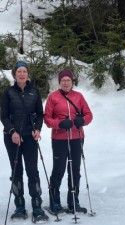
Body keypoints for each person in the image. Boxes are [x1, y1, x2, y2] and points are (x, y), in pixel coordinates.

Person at [0, 61, 48, 221]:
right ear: (14, 74)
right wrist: (12, 131)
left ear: (28, 74)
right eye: (19, 71)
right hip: (11, 137)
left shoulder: (34, 92)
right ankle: (19, 205)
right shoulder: (8, 92)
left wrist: (38, 129)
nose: (22, 74)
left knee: (32, 170)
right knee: (16, 170)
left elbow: (40, 114)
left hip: (29, 136)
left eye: (24, 71)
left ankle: (37, 205)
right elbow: (4, 116)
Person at [44, 69, 93, 214]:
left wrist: (82, 120)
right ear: (59, 82)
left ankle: (73, 201)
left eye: (68, 80)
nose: (66, 82)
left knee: (75, 171)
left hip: (77, 138)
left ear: (72, 82)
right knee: (58, 170)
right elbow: (47, 118)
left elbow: (89, 114)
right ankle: (55, 202)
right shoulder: (53, 97)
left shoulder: (78, 96)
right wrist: (59, 124)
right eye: (63, 80)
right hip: (59, 139)